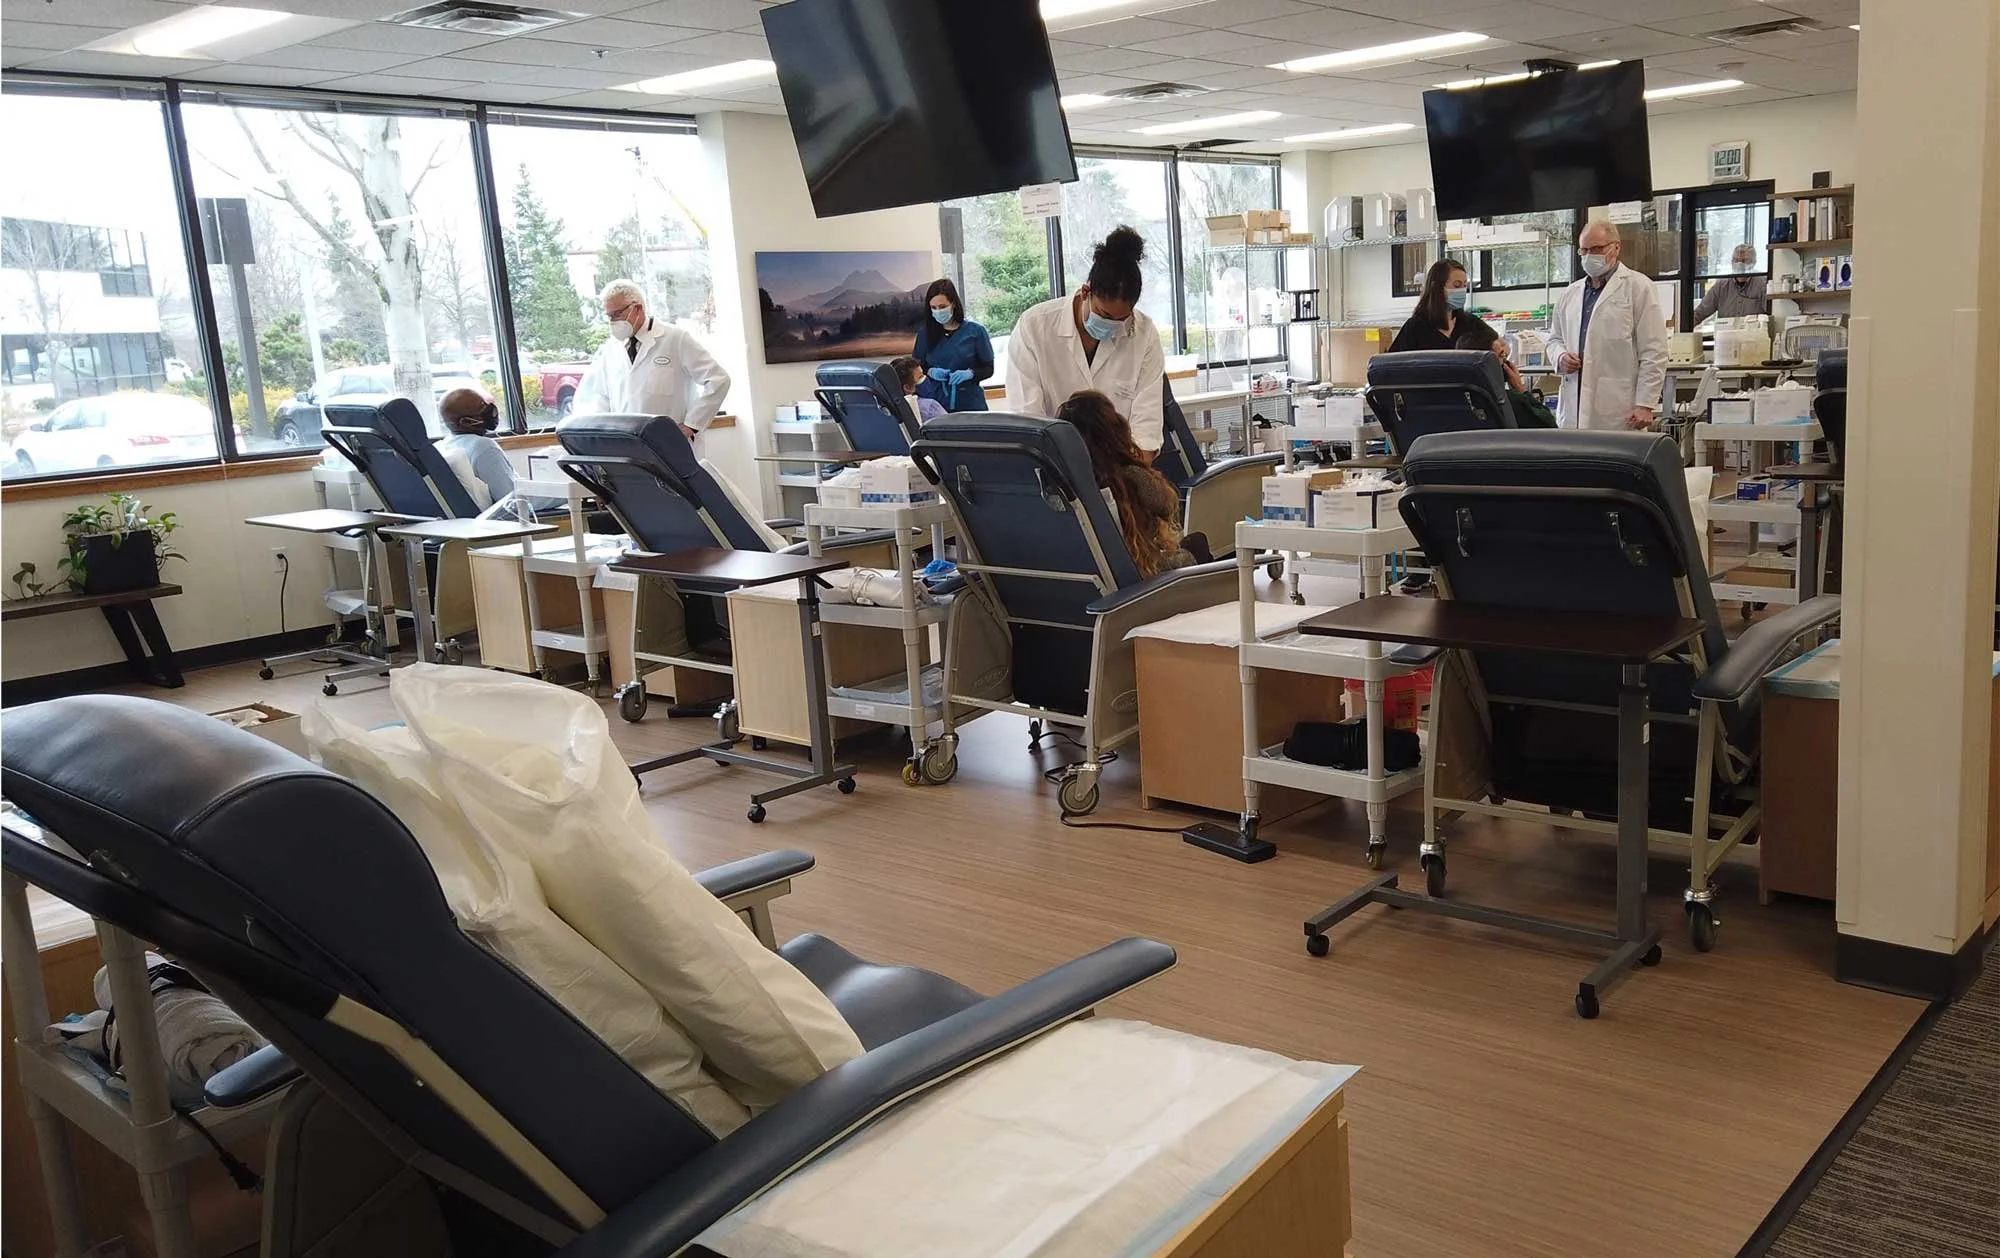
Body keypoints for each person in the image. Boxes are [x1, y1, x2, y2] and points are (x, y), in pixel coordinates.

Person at [1007, 226, 1167, 461]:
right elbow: (1028, 418)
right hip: (1055, 466)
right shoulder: (1034, 327)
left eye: (1122, 319)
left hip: (1120, 465)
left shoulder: (1143, 333)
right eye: (1105, 315)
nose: (1113, 325)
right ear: (1085, 292)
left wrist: (1132, 481)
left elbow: (1147, 424)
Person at [1054, 390, 1210, 578]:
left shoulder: (1062, 487)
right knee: (1197, 544)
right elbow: (1167, 505)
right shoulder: (1130, 475)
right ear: (1114, 430)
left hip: (1102, 576)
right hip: (1144, 575)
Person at [1546, 220, 1669, 431]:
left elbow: (1654, 351)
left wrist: (1645, 404)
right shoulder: (1570, 294)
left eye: (1597, 249)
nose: (1589, 255)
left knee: (1615, 461)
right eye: (1584, 250)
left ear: (1616, 247)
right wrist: (1560, 357)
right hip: (1573, 404)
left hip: (1619, 408)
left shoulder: (1638, 288)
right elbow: (1554, 339)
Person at [573, 279, 731, 441]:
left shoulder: (675, 339)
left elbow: (718, 380)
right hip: (627, 445)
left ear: (637, 308)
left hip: (670, 443)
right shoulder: (609, 350)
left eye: (617, 314)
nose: (613, 322)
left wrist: (691, 425)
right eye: (609, 316)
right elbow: (600, 398)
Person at [911, 279, 993, 412]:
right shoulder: (925, 334)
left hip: (970, 404)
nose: (938, 311)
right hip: (936, 405)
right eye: (933, 308)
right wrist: (931, 372)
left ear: (953, 304)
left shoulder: (975, 332)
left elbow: (988, 368)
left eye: (942, 307)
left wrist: (970, 373)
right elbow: (917, 367)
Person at [1452, 330, 1557, 429]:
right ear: (1488, 364)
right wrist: (1522, 390)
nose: (1506, 362)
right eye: (1501, 356)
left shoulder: (1452, 400)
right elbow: (1549, 425)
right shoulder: (1509, 401)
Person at [1389, 258, 1497, 354]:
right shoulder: (1415, 327)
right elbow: (1391, 367)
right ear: (1437, 288)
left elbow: (1496, 347)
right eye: (1457, 285)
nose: (1462, 291)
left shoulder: (1471, 323)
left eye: (1464, 286)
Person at [435, 387, 515, 508]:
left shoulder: (445, 445)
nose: (490, 410)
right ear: (466, 422)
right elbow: (512, 500)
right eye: (482, 408)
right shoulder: (483, 447)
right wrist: (554, 493)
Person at [1691, 243, 1770, 324]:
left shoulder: (1763, 284)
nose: (1739, 264)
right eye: (1736, 260)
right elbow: (1699, 313)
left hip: (1752, 334)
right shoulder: (1721, 285)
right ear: (1731, 262)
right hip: (1725, 334)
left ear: (1753, 263)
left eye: (1744, 261)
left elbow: (1771, 315)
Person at [890, 356, 946, 423]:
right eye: (920, 377)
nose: (925, 378)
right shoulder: (930, 407)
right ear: (907, 388)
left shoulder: (889, 410)